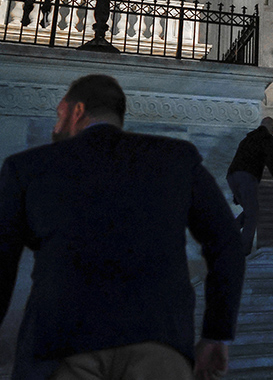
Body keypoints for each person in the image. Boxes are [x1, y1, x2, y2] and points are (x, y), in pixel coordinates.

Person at [0, 74, 245, 380]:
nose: (55, 126)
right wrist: (216, 333)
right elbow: (227, 243)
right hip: (159, 341)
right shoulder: (177, 159)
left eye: (59, 116)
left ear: (76, 111)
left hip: (61, 345)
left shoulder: (26, 167)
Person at [226, 118, 273, 256]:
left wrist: (236, 192)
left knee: (249, 211)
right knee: (252, 214)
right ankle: (243, 251)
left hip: (233, 176)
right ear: (272, 127)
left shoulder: (247, 139)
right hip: (247, 176)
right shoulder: (266, 138)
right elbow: (270, 160)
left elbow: (238, 158)